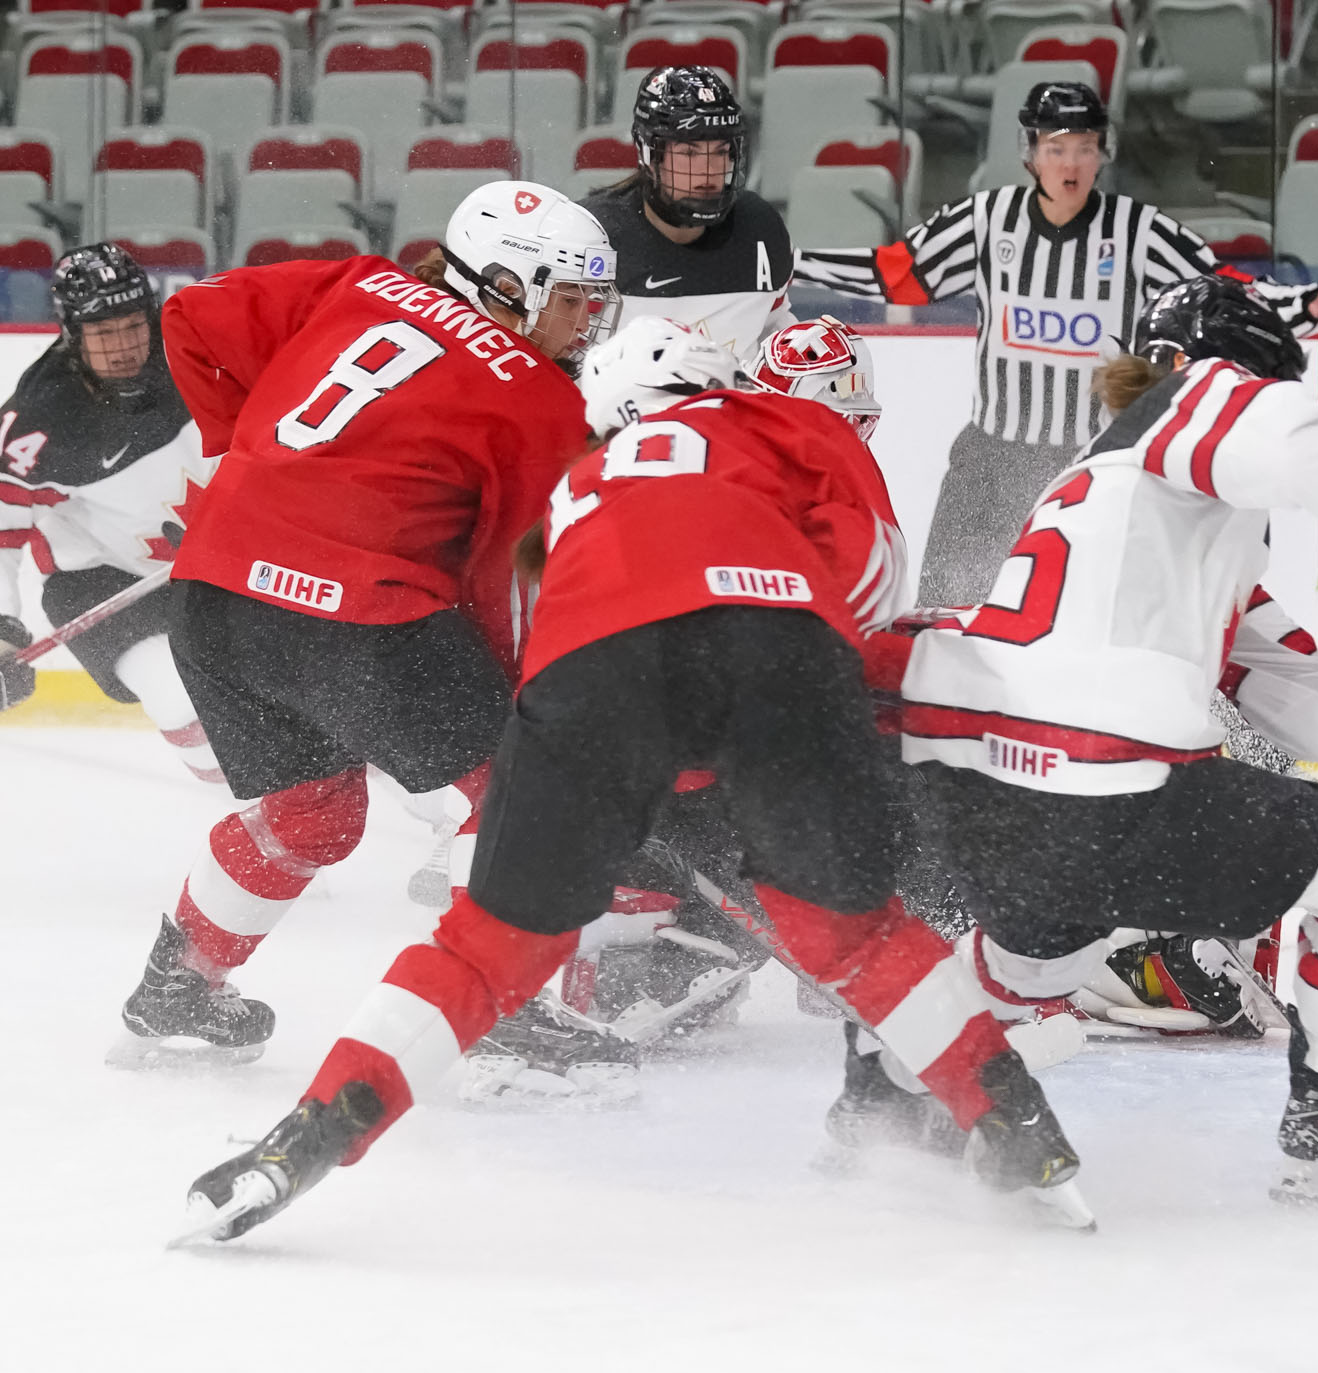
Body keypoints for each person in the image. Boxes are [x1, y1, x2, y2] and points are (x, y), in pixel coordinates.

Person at [178, 317, 1088, 1244]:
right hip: (771, 660)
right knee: (856, 938)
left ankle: (304, 1137)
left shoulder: (573, 485)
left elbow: (535, 645)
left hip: (594, 691)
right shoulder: (783, 423)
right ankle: (1017, 1125)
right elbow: (870, 582)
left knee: (482, 950)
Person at [868, 276, 1318, 1200]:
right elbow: (1256, 424)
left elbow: (1282, 678)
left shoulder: (1126, 507)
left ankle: (894, 1089)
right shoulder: (1183, 404)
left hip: (985, 790)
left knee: (1042, 948)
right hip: (1090, 779)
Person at [113, 182, 618, 1066]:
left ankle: (179, 983)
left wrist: (258, 469)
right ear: (507, 285)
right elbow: (499, 584)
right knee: (518, 786)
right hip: (353, 618)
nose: (586, 322)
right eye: (572, 298)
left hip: (213, 595)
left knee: (310, 813)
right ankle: (496, 1005)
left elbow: (191, 318)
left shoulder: (356, 284)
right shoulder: (539, 401)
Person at [467, 315, 892, 1095]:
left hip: (583, 758)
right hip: (680, 770)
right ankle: (587, 961)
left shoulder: (585, 485)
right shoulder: (765, 473)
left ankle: (627, 944)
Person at [795, 80, 1318, 606]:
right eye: (1056, 148)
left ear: (1104, 153)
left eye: (1085, 148)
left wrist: (1304, 304)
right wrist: (793, 263)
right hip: (990, 458)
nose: (1071, 163)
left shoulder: (1139, 231)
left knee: (1090, 609)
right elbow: (900, 274)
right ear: (1030, 153)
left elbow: (1220, 290)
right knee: (946, 607)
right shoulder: (986, 221)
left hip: (1093, 461)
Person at [0, 244, 221, 782]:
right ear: (74, 335)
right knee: (177, 696)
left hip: (224, 563)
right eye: (102, 334)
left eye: (131, 327)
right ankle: (239, 797)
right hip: (101, 581)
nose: (122, 347)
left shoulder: (203, 351)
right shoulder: (38, 421)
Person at [579, 67, 794, 361]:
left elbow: (775, 339)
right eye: (689, 153)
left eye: (720, 152)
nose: (709, 170)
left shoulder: (760, 229)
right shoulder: (591, 235)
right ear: (648, 154)